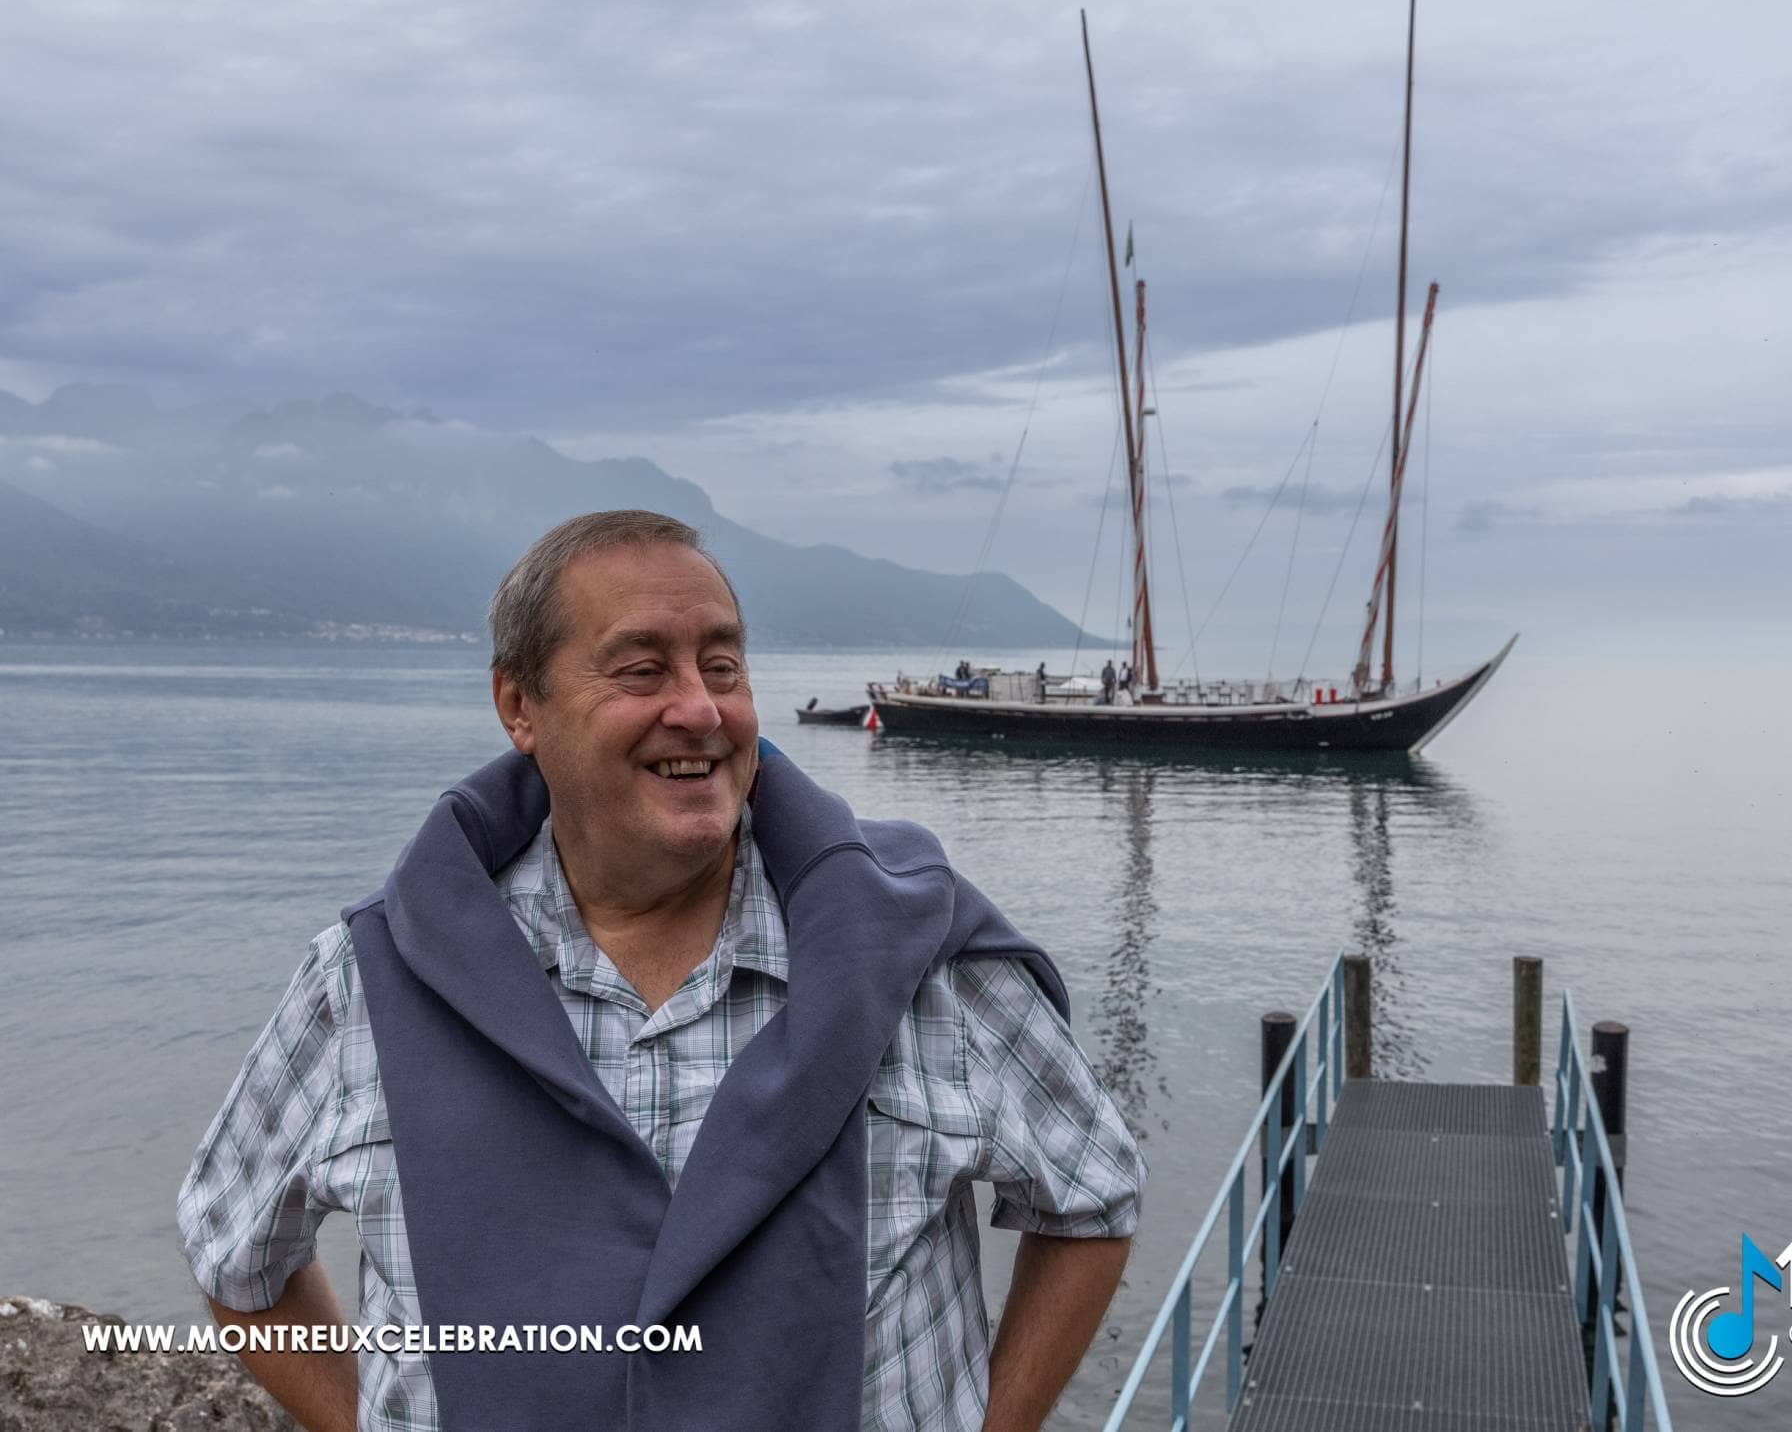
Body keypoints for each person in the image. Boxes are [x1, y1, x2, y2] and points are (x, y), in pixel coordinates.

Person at [177, 510, 1144, 1432]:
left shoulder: (917, 954)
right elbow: (234, 1248)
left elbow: (1092, 1196)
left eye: (722, 665)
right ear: (520, 705)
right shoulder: (371, 983)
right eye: (643, 670)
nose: (701, 708)